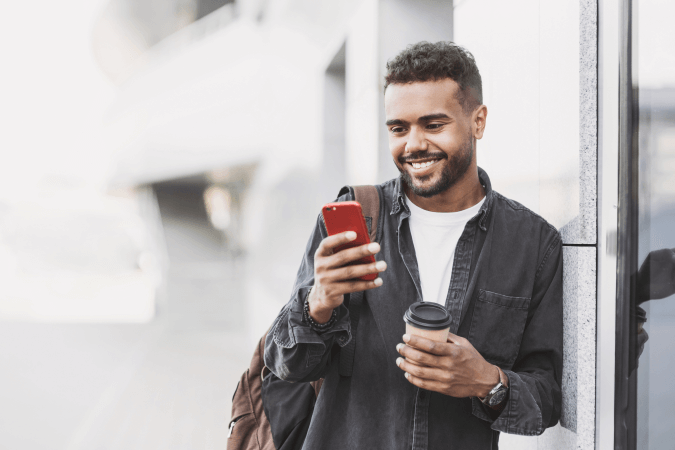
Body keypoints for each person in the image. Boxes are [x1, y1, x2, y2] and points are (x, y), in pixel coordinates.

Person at [264, 41, 563, 449]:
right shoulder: (355, 221)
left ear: (478, 121)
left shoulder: (532, 244)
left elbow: (547, 399)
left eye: (433, 124)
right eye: (398, 128)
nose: (413, 145)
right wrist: (318, 305)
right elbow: (286, 365)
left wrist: (487, 382)